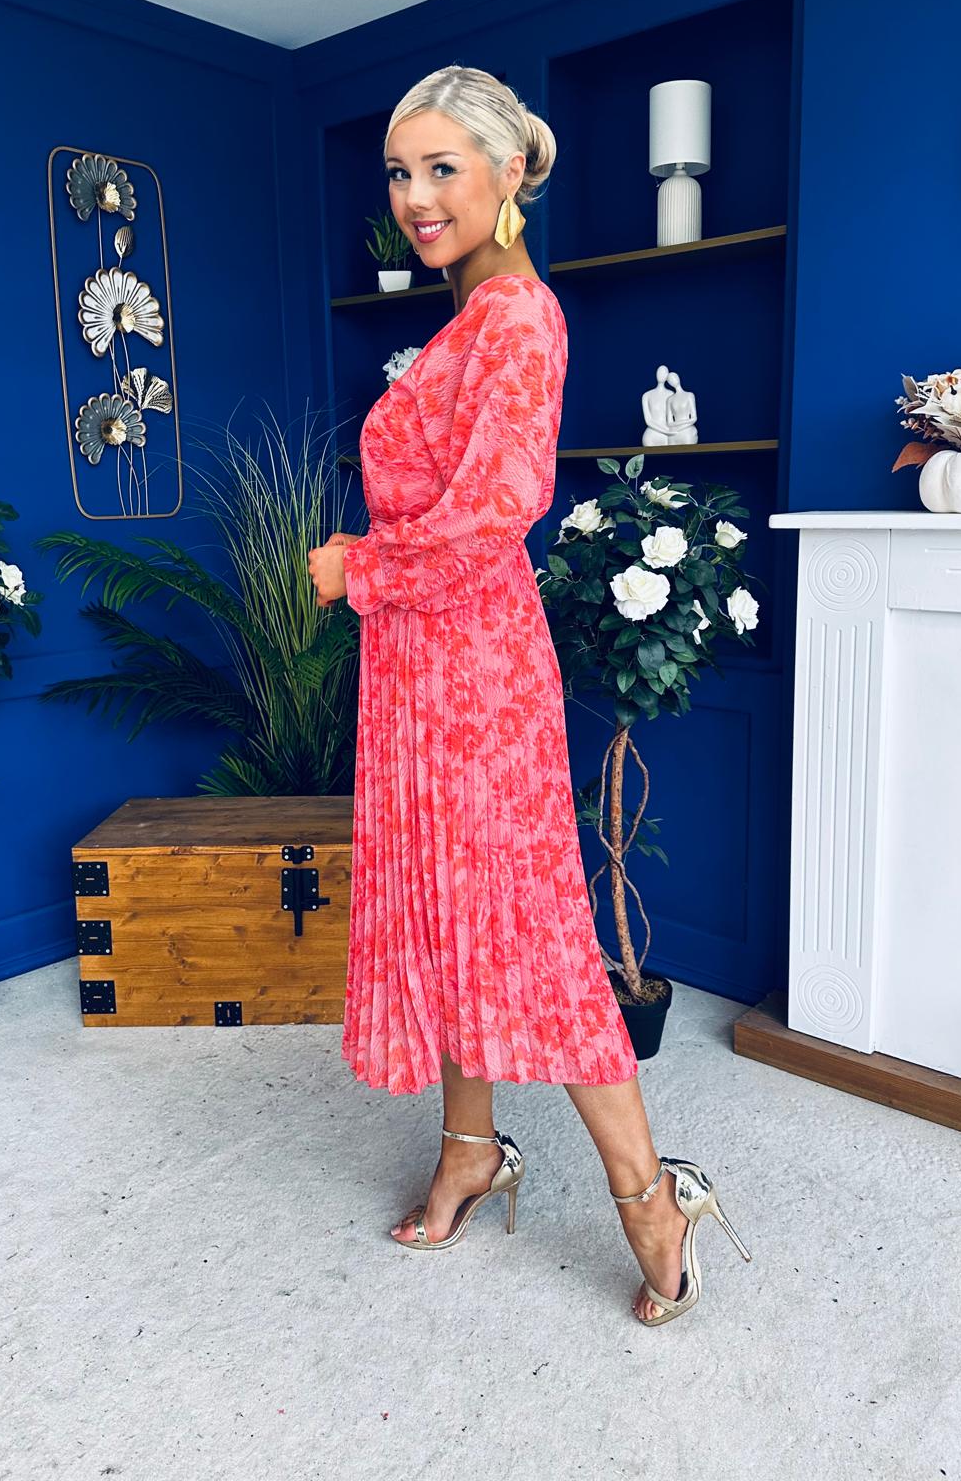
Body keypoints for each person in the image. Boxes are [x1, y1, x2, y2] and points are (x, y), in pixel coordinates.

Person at [307, 65, 750, 1326]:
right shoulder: (467, 317)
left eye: (443, 168)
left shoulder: (515, 316)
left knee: (529, 930)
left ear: (508, 174)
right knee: (449, 909)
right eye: (401, 172)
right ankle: (469, 1148)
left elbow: (497, 512)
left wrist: (357, 566)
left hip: (473, 668)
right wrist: (383, 578)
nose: (416, 196)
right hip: (418, 662)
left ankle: (649, 1196)